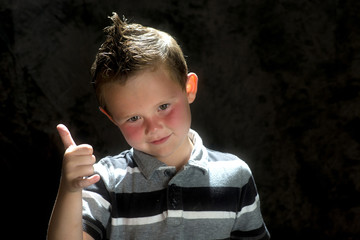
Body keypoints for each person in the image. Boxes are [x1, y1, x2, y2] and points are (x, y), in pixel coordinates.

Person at [47, 12, 270, 240]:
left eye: (163, 106)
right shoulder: (104, 180)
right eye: (133, 118)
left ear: (189, 88)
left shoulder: (235, 176)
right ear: (112, 117)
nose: (153, 128)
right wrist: (70, 189)